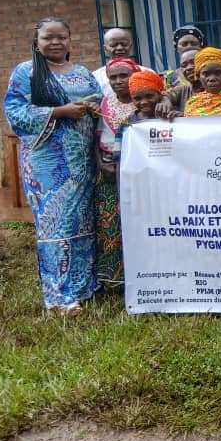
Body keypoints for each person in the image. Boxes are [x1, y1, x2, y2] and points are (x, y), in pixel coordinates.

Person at [3, 18, 101, 316]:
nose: (56, 42)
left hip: (82, 160)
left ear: (70, 40)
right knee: (56, 224)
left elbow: (99, 100)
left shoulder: (82, 72)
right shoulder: (27, 72)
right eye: (48, 37)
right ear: (37, 42)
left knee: (83, 221)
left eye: (62, 37)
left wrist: (94, 108)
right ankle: (60, 297)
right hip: (48, 165)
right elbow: (15, 111)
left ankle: (83, 287)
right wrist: (60, 111)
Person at [94, 56, 137, 291]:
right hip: (108, 170)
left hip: (136, 172)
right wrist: (101, 163)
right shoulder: (104, 103)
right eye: (113, 77)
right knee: (110, 222)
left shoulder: (144, 101)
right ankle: (113, 278)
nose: (119, 81)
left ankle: (138, 273)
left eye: (124, 76)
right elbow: (95, 136)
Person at [91, 28, 149, 93]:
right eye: (113, 45)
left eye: (124, 44)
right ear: (105, 48)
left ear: (130, 46)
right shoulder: (95, 78)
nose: (119, 48)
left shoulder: (146, 73)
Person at [158, 47, 200, 117]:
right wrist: (165, 100)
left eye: (194, 62)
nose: (189, 68)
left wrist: (185, 116)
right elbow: (167, 95)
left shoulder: (217, 90)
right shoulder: (183, 90)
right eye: (184, 65)